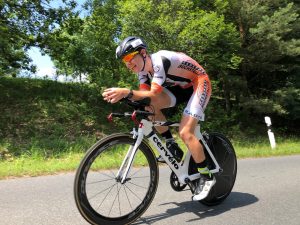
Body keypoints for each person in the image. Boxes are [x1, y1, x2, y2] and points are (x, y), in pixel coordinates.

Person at [102, 36, 215, 201]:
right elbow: (145, 97)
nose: (127, 64)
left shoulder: (159, 61)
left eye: (128, 57)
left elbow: (153, 93)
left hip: (199, 82)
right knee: (148, 106)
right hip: (180, 88)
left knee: (185, 132)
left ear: (143, 52)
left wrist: (126, 92)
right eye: (124, 61)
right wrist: (127, 98)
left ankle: (207, 177)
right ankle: (171, 144)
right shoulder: (142, 72)